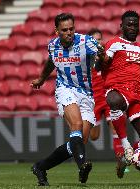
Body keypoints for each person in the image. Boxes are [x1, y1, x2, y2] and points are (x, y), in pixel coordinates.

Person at [30, 13, 104, 186]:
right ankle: (82, 166)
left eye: (71, 29)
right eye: (64, 30)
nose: (69, 32)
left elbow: (104, 58)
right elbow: (51, 62)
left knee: (77, 143)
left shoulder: (86, 42)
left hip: (87, 93)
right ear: (56, 31)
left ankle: (40, 167)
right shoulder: (53, 46)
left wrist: (102, 58)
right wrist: (41, 79)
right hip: (65, 89)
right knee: (76, 125)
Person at [98, 10, 140, 167]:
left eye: (135, 25)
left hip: (137, 95)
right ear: (122, 26)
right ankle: (126, 146)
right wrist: (100, 58)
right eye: (129, 24)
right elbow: (101, 65)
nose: (133, 27)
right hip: (117, 88)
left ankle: (125, 159)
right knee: (113, 100)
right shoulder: (113, 44)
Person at [87, 28, 128, 179]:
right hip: (93, 102)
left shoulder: (107, 56)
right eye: (95, 39)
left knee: (116, 127)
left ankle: (121, 160)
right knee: (94, 137)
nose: (99, 42)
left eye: (100, 39)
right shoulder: (85, 59)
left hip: (107, 98)